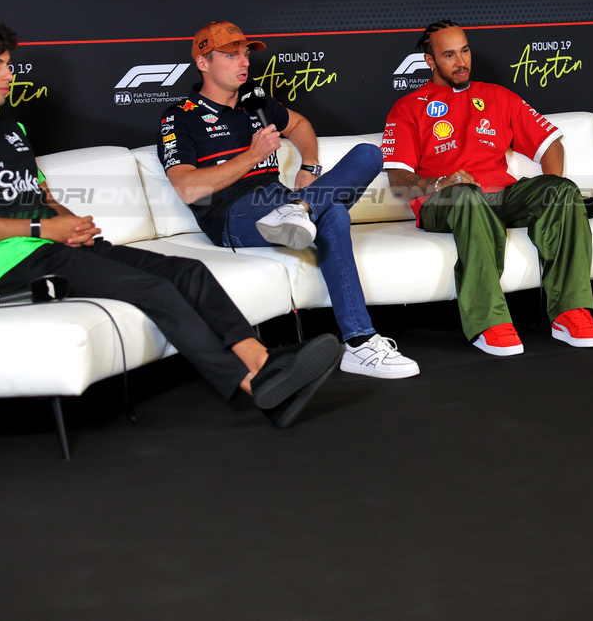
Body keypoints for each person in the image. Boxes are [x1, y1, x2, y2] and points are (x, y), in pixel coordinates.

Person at [0, 16, 340, 428]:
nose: (9, 74)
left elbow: (39, 196)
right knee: (155, 289)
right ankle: (253, 385)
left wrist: (70, 221)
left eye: (7, 63)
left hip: (62, 245)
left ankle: (264, 362)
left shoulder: (12, 130)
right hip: (21, 263)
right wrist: (45, 230)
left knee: (187, 271)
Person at [159, 21, 419, 380]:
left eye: (245, 54)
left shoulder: (255, 100)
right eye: (231, 55)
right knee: (336, 216)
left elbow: (298, 125)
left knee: (369, 154)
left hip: (282, 200)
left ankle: (303, 208)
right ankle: (360, 342)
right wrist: (252, 156)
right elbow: (187, 188)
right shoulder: (180, 116)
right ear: (203, 63)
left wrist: (309, 165)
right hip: (230, 214)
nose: (243, 62)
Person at [381, 19, 593, 356]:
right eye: (449, 55)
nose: (461, 62)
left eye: (465, 51)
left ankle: (570, 312)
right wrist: (444, 181)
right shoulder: (408, 108)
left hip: (501, 196)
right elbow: (398, 184)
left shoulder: (497, 96)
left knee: (559, 190)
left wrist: (554, 184)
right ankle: (490, 323)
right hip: (445, 201)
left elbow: (549, 143)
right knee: (467, 196)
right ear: (430, 61)